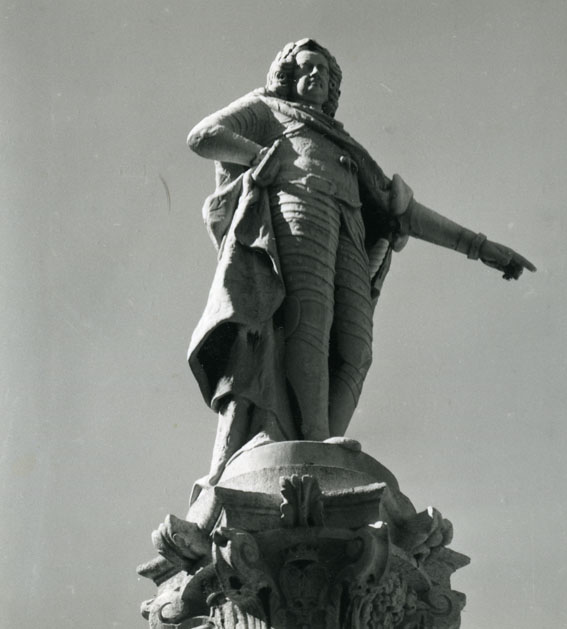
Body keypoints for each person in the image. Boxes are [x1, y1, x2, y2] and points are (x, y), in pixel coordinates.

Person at [186, 39, 535, 486]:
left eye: (323, 71)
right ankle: (315, 437)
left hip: (349, 230)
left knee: (355, 348)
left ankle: (328, 440)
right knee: (309, 320)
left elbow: (402, 210)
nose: (315, 75)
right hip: (298, 211)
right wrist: (257, 158)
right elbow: (204, 136)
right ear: (287, 76)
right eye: (305, 68)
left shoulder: (346, 146)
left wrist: (480, 247)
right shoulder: (268, 110)